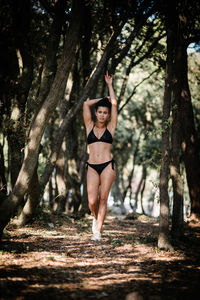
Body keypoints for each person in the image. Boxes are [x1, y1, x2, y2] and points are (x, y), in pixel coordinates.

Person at [83, 71, 118, 241]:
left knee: (103, 198)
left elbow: (115, 104)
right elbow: (85, 104)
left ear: (108, 115)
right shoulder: (89, 126)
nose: (103, 115)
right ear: (96, 113)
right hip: (91, 166)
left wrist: (110, 86)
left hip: (107, 166)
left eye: (106, 112)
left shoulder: (111, 128)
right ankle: (95, 217)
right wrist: (102, 100)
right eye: (100, 112)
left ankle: (97, 232)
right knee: (91, 202)